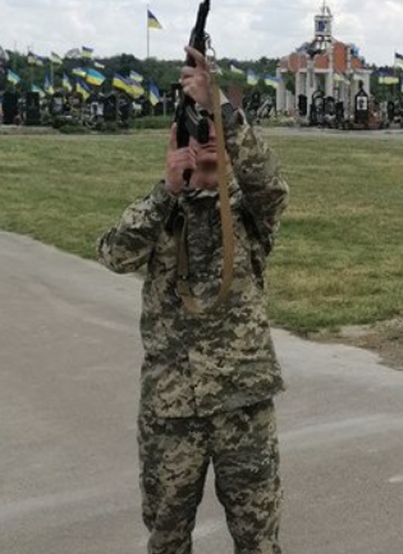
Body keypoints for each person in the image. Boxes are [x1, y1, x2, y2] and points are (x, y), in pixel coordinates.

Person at [97, 45, 289, 553]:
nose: (205, 160)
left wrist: (218, 102)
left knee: (259, 539)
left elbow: (271, 185)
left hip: (241, 403)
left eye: (214, 154)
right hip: (172, 408)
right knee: (166, 538)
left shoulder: (248, 216)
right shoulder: (160, 213)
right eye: (196, 151)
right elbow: (114, 253)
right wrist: (167, 191)